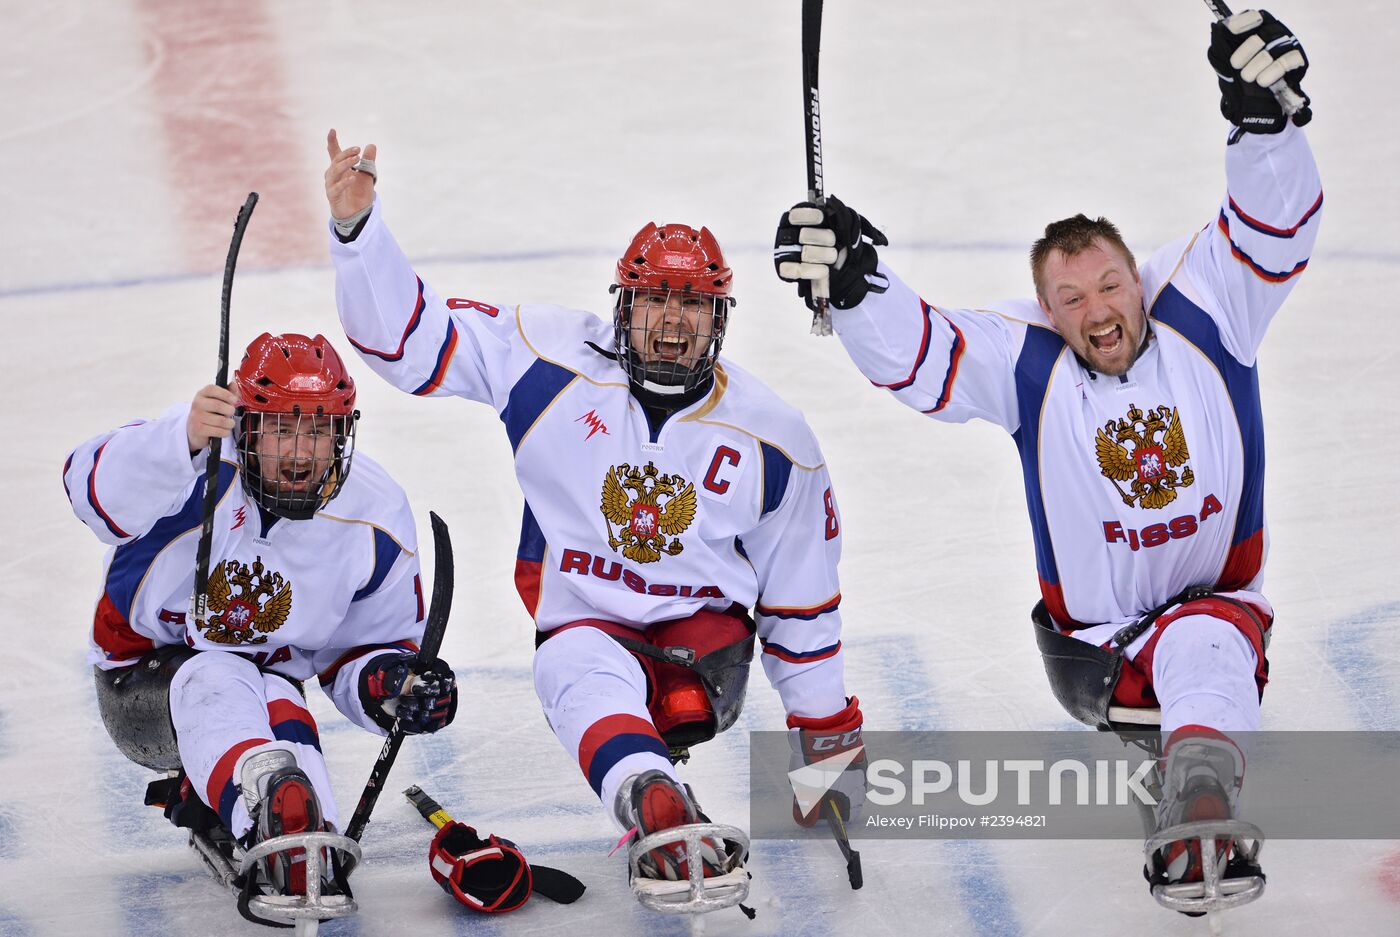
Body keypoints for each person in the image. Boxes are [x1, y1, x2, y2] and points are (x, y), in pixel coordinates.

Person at [774, 7, 1317, 916]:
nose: (1096, 307)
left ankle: (1201, 805)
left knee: (1207, 642)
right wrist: (859, 281)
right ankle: (1197, 793)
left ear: (1137, 278)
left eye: (1109, 284)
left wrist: (1264, 122)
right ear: (1046, 311)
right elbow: (922, 355)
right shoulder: (1026, 360)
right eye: (1071, 299)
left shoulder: (1205, 302)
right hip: (1094, 647)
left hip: (1214, 605)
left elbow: (1274, 227)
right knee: (1200, 645)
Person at [323, 129, 864, 914]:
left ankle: (657, 774)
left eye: (693, 303)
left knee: (622, 679)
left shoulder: (774, 440)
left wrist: (825, 737)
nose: (671, 320)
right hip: (585, 624)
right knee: (571, 662)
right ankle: (651, 798)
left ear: (720, 319)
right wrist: (356, 231)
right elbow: (410, 342)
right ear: (624, 303)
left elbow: (801, 601)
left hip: (700, 658)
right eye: (654, 299)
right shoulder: (546, 360)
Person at [64, 332, 459, 927]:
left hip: (267, 685)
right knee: (220, 670)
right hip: (142, 686)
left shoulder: (373, 513)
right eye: (280, 428)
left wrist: (390, 681)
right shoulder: (191, 470)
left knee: (277, 693)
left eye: (319, 430)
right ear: (244, 426)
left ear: (343, 431)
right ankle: (259, 805)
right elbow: (87, 487)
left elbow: (361, 649)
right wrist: (182, 435)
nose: (300, 452)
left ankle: (298, 830)